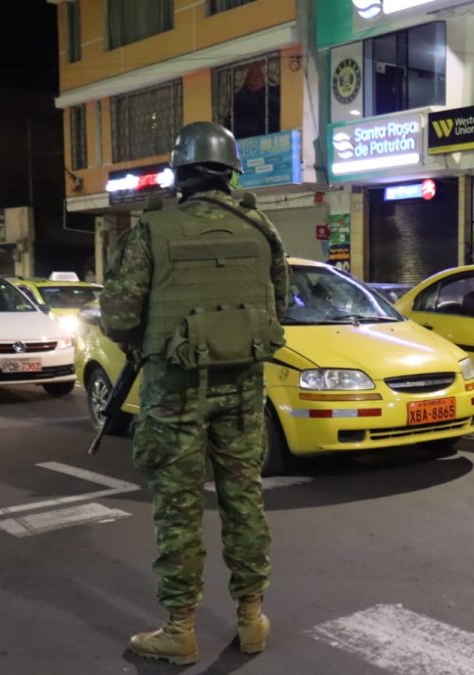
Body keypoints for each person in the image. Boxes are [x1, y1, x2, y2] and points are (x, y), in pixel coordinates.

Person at [100, 121, 290, 665]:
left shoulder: (151, 230)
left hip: (174, 392)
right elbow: (280, 304)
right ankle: (252, 620)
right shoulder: (261, 229)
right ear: (231, 172)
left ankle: (180, 629)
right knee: (244, 499)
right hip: (244, 387)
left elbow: (118, 317)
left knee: (179, 509)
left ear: (180, 173)